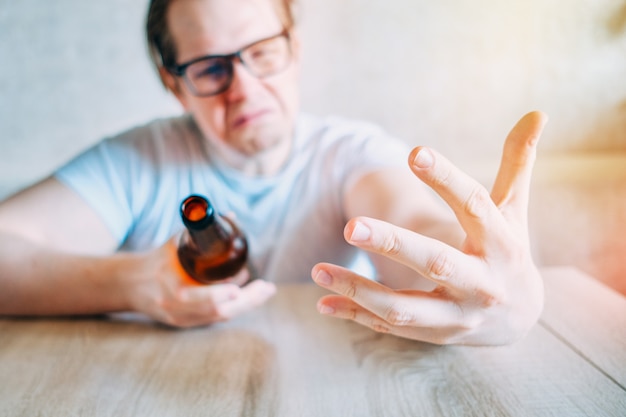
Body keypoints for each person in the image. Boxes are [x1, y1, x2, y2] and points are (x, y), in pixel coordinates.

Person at [0, 0, 547, 346]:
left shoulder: (349, 153)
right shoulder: (134, 162)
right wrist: (130, 282)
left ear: (295, 48)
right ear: (175, 85)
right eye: (210, 68)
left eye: (261, 53)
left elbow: (416, 225)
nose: (243, 87)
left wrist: (483, 274)